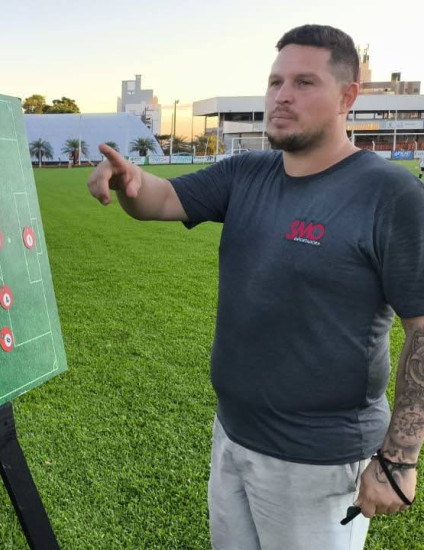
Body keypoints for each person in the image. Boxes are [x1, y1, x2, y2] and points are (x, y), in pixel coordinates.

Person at [87, 24, 424, 550]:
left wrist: (400, 457)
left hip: (319, 461)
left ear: (348, 96)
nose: (282, 96)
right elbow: (159, 199)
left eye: (304, 82)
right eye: (275, 82)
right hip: (233, 436)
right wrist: (129, 183)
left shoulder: (390, 194)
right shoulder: (246, 173)